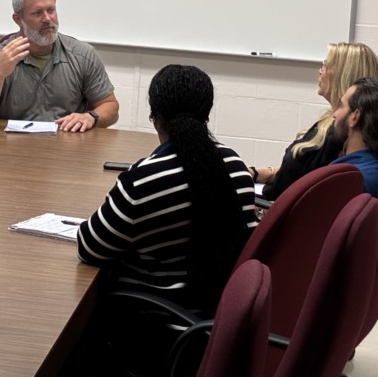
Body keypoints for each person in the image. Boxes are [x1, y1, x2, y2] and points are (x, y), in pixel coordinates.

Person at [77, 64, 257, 314]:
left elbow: (89, 247)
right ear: (207, 114)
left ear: (154, 116)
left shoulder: (143, 180)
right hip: (219, 314)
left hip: (156, 320)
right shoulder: (236, 165)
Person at [0, 0, 118, 132]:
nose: (47, 19)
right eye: (37, 13)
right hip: (10, 146)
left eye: (51, 10)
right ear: (18, 19)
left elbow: (111, 107)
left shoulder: (82, 55)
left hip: (66, 146)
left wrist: (91, 117)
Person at [251, 42, 378, 201]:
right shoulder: (332, 124)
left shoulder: (337, 136)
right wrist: (266, 173)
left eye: (326, 65)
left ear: (343, 75)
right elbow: (302, 174)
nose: (320, 71)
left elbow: (298, 188)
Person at [331, 77, 378, 197]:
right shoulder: (376, 169)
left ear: (354, 117)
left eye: (341, 105)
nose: (334, 114)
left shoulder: (349, 180)